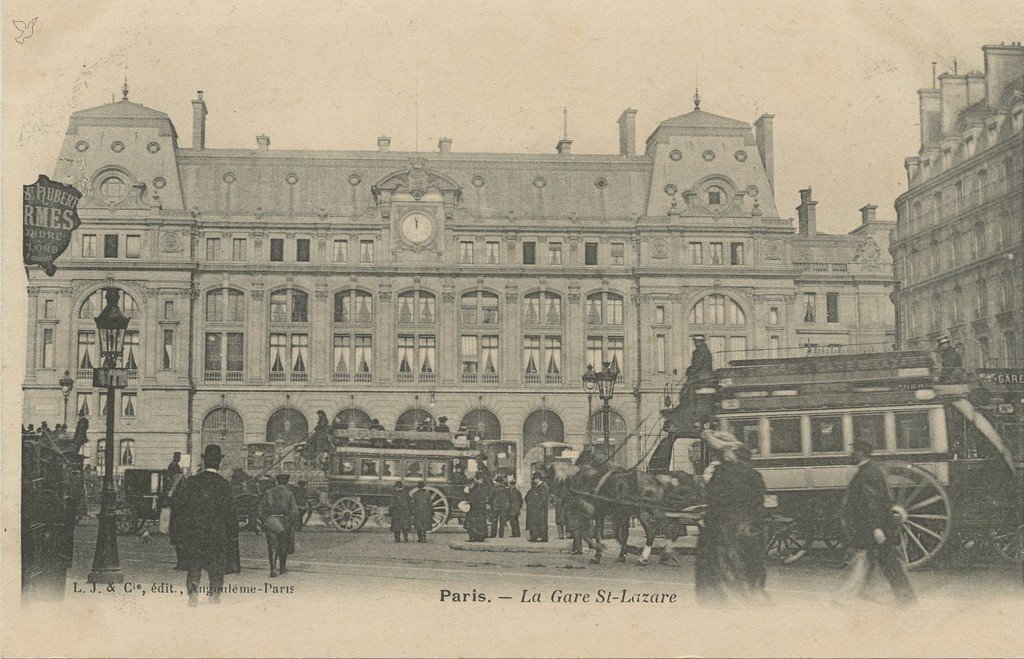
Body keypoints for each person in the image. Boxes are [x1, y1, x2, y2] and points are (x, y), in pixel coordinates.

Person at [834, 437, 918, 608]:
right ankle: (906, 599)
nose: (851, 454)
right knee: (877, 564)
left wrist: (876, 527)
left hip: (870, 529)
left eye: (854, 451)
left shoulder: (868, 473)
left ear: (861, 453)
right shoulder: (868, 471)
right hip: (870, 528)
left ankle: (846, 598)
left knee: (873, 564)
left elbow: (874, 503)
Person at [694, 430, 768, 606]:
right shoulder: (754, 474)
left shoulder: (721, 474)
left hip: (725, 532)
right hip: (750, 531)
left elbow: (715, 504)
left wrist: (706, 522)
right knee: (748, 572)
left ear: (726, 455)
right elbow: (758, 503)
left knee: (722, 576)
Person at [170, 444, 240, 606]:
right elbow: (231, 513)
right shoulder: (224, 485)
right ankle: (214, 596)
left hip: (195, 534)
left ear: (204, 461)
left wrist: (180, 533)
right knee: (216, 568)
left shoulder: (193, 482)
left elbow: (181, 508)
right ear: (219, 463)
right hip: (217, 535)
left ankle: (193, 596)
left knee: (194, 567)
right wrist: (232, 533)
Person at [464, 475, 490, 542]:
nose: (469, 486)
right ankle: (476, 537)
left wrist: (468, 502)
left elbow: (474, 498)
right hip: (476, 509)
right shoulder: (476, 488)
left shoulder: (476, 489)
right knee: (476, 524)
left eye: (469, 485)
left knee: (475, 524)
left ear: (472, 483)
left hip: (477, 509)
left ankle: (475, 537)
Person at [525, 474, 550, 542]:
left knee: (541, 523)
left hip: (540, 509)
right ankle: (535, 537)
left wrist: (537, 506)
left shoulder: (543, 487)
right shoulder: (536, 487)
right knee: (536, 523)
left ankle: (542, 538)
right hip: (536, 508)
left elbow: (543, 499)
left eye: (534, 479)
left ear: (538, 479)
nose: (533, 480)